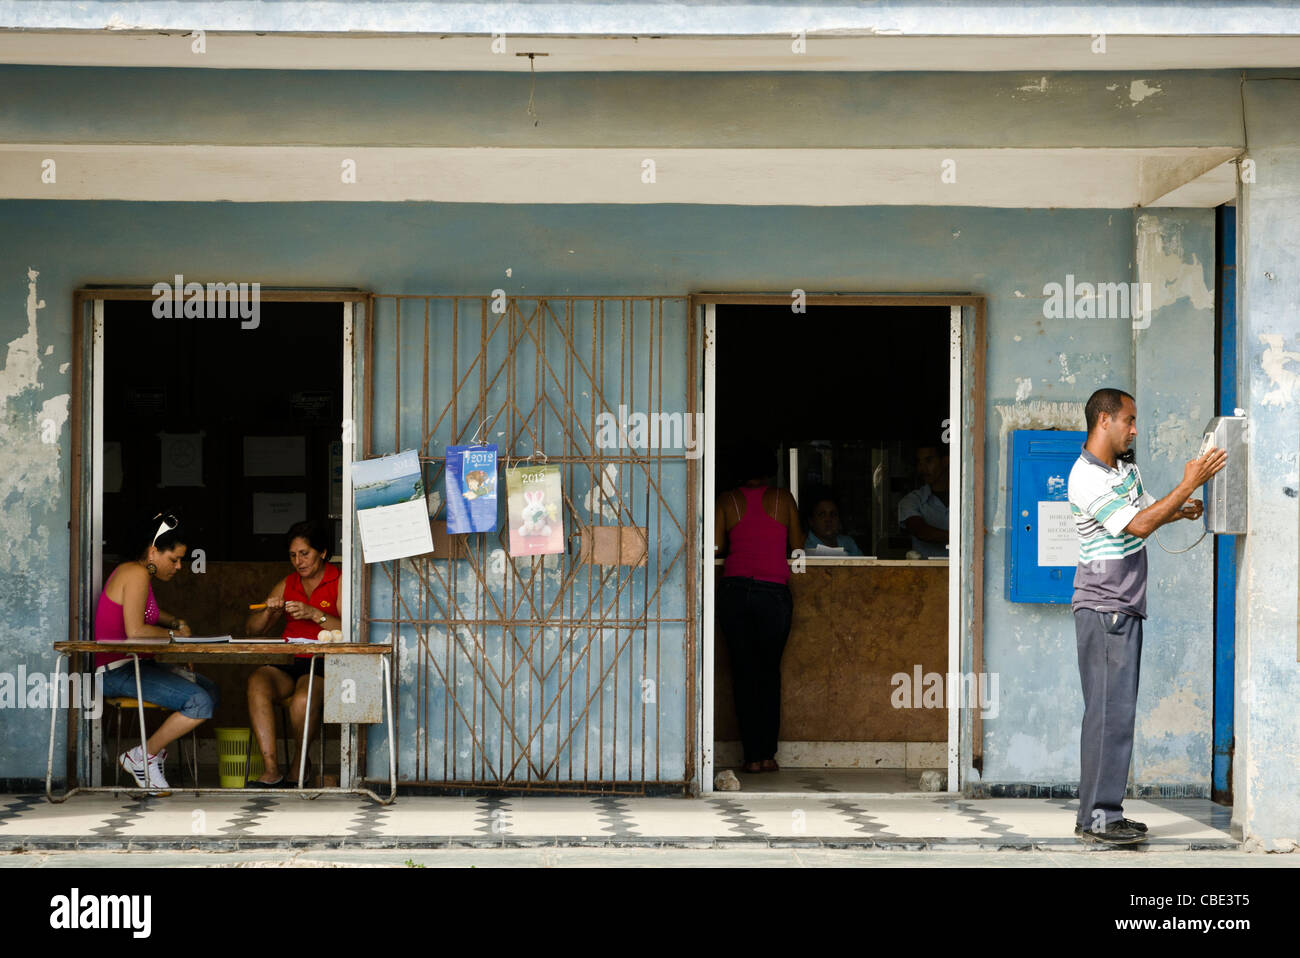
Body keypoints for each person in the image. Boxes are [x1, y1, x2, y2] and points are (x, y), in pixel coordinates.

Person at [1068, 388, 1226, 845]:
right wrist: (1188, 484)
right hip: (1104, 607)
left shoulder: (1125, 470)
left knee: (1116, 714)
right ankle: (1098, 819)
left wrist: (1183, 508)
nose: (1135, 429)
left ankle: (1104, 814)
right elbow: (1136, 525)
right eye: (1129, 420)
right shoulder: (1085, 477)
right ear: (1103, 421)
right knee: (1106, 715)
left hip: (1123, 605)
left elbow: (1149, 513)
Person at [96, 511, 219, 794]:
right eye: (174, 559)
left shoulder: (137, 574)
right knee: (199, 701)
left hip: (135, 667)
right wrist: (178, 637)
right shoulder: (136, 573)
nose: (178, 567)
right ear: (153, 552)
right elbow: (136, 631)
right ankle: (142, 755)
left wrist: (174, 621)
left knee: (209, 689)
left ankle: (150, 754)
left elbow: (149, 613)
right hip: (116, 671)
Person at [716, 445, 804, 775]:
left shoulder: (727, 500)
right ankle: (767, 755)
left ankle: (751, 757)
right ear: (770, 468)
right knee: (768, 673)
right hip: (773, 594)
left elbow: (717, 546)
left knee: (742, 673)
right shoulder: (783, 500)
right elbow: (797, 545)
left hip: (735, 590)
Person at [244, 519, 341, 787]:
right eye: (293, 555)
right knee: (258, 681)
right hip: (291, 661)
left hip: (324, 665)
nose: (298, 561)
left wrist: (315, 614)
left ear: (322, 552)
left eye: (305, 553)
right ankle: (272, 769)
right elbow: (252, 630)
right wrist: (268, 612)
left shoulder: (339, 579)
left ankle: (300, 764)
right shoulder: (288, 583)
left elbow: (353, 628)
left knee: (303, 698)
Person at [898, 446, 949, 558]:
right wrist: (960, 537)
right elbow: (921, 531)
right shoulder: (912, 500)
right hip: (926, 573)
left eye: (928, 460)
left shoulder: (965, 500)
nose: (922, 468)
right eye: (919, 463)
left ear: (946, 461)